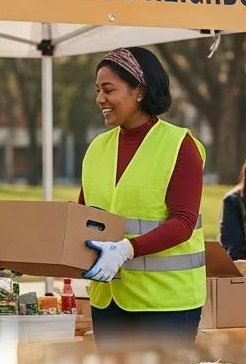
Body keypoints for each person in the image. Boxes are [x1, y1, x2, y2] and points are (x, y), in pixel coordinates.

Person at [78, 47, 206, 347]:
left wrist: (127, 249)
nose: (100, 99)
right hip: (107, 300)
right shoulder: (98, 147)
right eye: (98, 90)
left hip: (166, 304)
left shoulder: (179, 144)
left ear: (139, 91)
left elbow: (184, 222)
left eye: (108, 90)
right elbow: (83, 215)